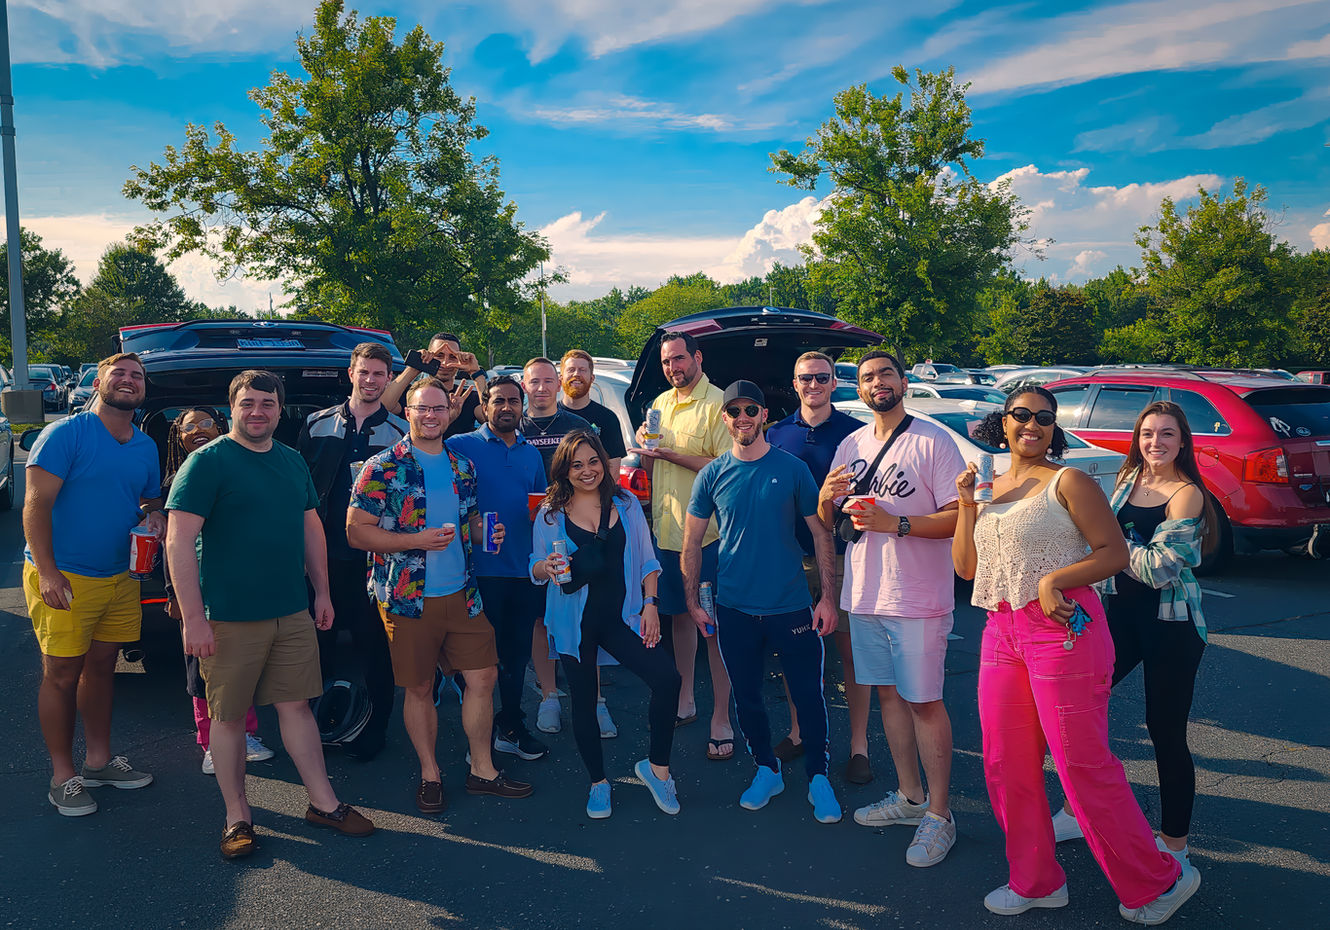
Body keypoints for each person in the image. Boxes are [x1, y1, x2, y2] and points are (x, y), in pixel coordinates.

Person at [952, 387, 1199, 924]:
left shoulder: (1071, 481)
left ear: (1053, 427)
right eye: (1022, 415)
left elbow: (1112, 551)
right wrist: (968, 504)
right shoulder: (995, 484)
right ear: (1005, 422)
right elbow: (968, 569)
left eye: (1044, 417)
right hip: (1002, 629)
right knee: (1004, 762)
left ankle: (1159, 881)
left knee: (1081, 765)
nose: (1032, 425)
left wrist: (1055, 579)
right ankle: (1036, 881)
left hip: (1064, 630)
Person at [167, 370, 375, 859]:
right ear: (232, 407)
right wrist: (193, 619)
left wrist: (322, 593)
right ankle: (237, 816)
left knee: (297, 706)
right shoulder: (206, 463)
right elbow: (177, 541)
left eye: (267, 403)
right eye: (248, 403)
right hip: (228, 617)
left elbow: (313, 532)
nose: (257, 411)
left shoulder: (292, 462)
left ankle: (323, 803)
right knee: (229, 716)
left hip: (291, 611)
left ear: (280, 411)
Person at [348, 377, 533, 814]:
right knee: (419, 688)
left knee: (483, 677)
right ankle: (430, 774)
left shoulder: (460, 466)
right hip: (408, 598)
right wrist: (416, 540)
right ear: (407, 413)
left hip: (462, 593)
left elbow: (468, 523)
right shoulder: (382, 467)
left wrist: (488, 533)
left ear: (450, 413)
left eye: (438, 409)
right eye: (421, 409)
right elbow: (356, 533)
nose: (431, 416)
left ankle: (482, 771)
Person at [1052, 401, 1213, 867]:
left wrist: (1114, 548)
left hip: (1172, 627)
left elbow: (1161, 568)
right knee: (1080, 713)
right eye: (1147, 433)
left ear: (1183, 441)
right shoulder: (1128, 481)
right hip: (1118, 617)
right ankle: (1076, 812)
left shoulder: (1186, 495)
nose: (1155, 442)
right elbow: (1092, 541)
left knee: (1165, 732)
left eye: (1166, 434)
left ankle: (1174, 845)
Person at [821, 350, 965, 867]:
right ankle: (909, 797)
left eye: (885, 373)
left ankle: (941, 815)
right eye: (866, 378)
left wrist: (897, 523)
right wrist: (824, 494)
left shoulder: (933, 440)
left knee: (924, 701)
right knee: (888, 696)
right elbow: (828, 513)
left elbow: (957, 518)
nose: (877, 382)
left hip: (917, 597)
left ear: (903, 382)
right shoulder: (851, 442)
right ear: (856, 390)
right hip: (865, 592)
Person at [683, 381, 842, 823]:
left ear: (764, 414)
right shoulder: (712, 474)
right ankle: (766, 768)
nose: (742, 418)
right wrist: (693, 600)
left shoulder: (792, 469)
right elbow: (692, 541)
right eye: (733, 411)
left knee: (808, 694)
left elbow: (819, 532)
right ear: (725, 418)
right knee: (747, 697)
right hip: (734, 606)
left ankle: (818, 776)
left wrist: (827, 598)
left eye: (750, 409)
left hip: (791, 604)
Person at [24, 352, 162, 816]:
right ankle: (63, 776)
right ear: (98, 382)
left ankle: (99, 762)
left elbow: (146, 498)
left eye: (136, 376)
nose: (128, 381)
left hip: (119, 576)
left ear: (144, 389)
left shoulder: (144, 445)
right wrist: (46, 571)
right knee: (61, 675)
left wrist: (156, 514)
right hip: (65, 575)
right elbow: (36, 505)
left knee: (103, 668)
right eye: (118, 373)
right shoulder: (65, 433)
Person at [530, 430, 682, 819]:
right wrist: (546, 568)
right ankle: (598, 782)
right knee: (582, 704)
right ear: (563, 469)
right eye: (576, 465)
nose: (587, 471)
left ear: (604, 462)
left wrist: (651, 605)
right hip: (573, 623)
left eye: (593, 461)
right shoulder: (551, 513)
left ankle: (657, 769)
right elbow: (534, 565)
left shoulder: (626, 502)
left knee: (667, 679)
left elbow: (649, 559)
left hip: (623, 619)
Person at [297, 341, 408, 760]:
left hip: (375, 561)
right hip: (320, 556)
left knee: (375, 648)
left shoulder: (401, 433)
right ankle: (318, 728)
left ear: (388, 378)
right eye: (364, 372)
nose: (371, 380)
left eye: (380, 374)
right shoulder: (315, 423)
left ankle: (375, 728)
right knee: (316, 648)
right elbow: (299, 489)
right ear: (351, 373)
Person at [766, 351, 872, 784]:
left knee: (853, 653)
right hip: (791, 557)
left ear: (834, 382)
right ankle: (798, 731)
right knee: (797, 653)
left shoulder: (859, 434)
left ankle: (859, 745)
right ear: (794, 383)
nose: (813, 385)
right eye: (805, 378)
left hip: (846, 557)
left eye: (821, 377)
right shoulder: (774, 433)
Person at [634, 331, 735, 760]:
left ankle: (722, 717)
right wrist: (644, 449)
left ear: (697, 357)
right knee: (679, 620)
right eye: (666, 362)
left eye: (678, 359)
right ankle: (687, 700)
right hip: (667, 533)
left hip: (708, 537)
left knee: (712, 627)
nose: (672, 368)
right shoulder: (659, 404)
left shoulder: (718, 405)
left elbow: (727, 465)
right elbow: (650, 463)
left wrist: (671, 454)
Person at [162, 405, 272, 775]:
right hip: (197, 593)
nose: (198, 430)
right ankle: (210, 742)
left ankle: (248, 735)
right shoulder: (175, 480)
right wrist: (176, 597)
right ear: (178, 437)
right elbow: (173, 546)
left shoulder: (238, 469)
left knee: (242, 669)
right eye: (189, 426)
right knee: (202, 671)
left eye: (207, 423)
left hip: (239, 590)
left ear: (221, 427)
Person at [447, 375, 550, 762]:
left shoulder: (530, 452)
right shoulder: (460, 445)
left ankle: (512, 725)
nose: (506, 407)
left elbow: (539, 507)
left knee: (516, 654)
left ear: (521, 406)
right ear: (485, 405)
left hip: (523, 570)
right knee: (478, 660)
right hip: (478, 571)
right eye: (498, 401)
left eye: (513, 401)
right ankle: (482, 730)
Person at [519, 356, 593, 735]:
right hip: (532, 532)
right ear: (525, 384)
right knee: (538, 617)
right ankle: (549, 695)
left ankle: (594, 700)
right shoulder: (515, 425)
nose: (543, 388)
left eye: (550, 381)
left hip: (579, 530)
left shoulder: (576, 425)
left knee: (586, 615)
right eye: (536, 382)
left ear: (558, 384)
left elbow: (598, 473)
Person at [382, 332, 486, 438]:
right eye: (439, 356)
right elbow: (383, 406)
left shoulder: (469, 397)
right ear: (429, 355)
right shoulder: (414, 394)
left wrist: (476, 373)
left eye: (452, 357)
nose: (445, 363)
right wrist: (414, 367)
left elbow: (490, 419)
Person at [558, 350, 627, 476]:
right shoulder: (551, 416)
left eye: (582, 370)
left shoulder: (607, 418)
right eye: (571, 369)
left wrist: (597, 495)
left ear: (592, 378)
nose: (576, 374)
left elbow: (613, 469)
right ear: (561, 378)